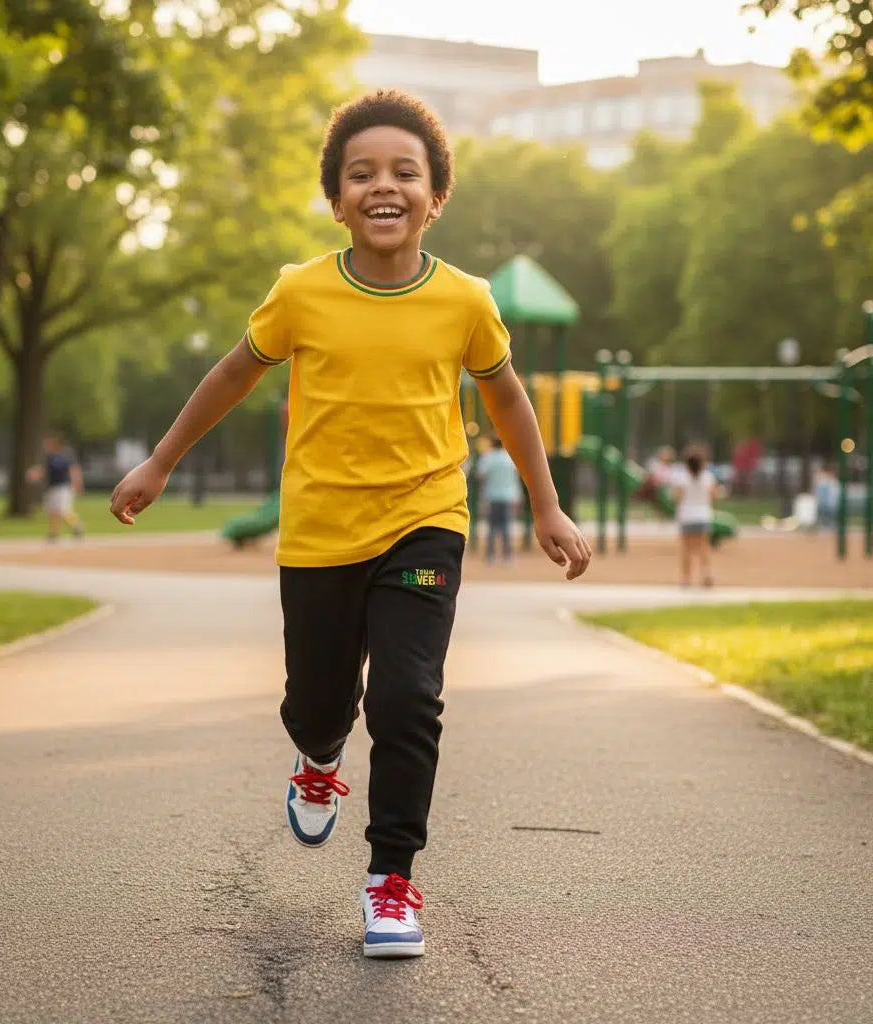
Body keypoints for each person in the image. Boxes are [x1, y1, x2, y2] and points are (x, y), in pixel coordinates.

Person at [109, 90, 591, 960]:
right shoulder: (301, 291)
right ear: (336, 198)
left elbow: (508, 398)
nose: (384, 186)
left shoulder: (466, 300)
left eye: (406, 172)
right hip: (321, 530)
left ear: (435, 197)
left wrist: (547, 502)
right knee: (319, 700)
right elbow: (231, 373)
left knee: (409, 699)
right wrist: (161, 460)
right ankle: (319, 755)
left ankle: (391, 881)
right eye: (361, 173)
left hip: (425, 521)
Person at [670, 444, 719, 587]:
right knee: (704, 547)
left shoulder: (682, 478)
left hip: (687, 516)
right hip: (703, 515)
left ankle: (685, 578)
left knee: (686, 549)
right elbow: (714, 495)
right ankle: (707, 573)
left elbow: (678, 497)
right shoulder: (708, 477)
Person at [26, 432, 85, 541]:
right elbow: (44, 471)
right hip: (52, 487)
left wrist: (77, 484)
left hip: (63, 487)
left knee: (62, 510)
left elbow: (74, 470)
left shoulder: (65, 457)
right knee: (52, 511)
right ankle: (55, 532)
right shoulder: (49, 458)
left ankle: (77, 526)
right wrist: (35, 474)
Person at [476, 437, 521, 563]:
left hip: (491, 496)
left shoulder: (487, 458)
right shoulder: (509, 459)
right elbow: (515, 478)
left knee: (491, 527)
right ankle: (508, 556)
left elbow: (480, 476)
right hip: (508, 496)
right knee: (507, 527)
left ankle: (490, 556)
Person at [814, 461, 841, 532]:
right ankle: (823, 529)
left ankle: (832, 529)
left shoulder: (833, 482)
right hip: (824, 504)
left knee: (831, 519)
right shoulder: (822, 481)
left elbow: (835, 494)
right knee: (823, 519)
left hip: (831, 504)